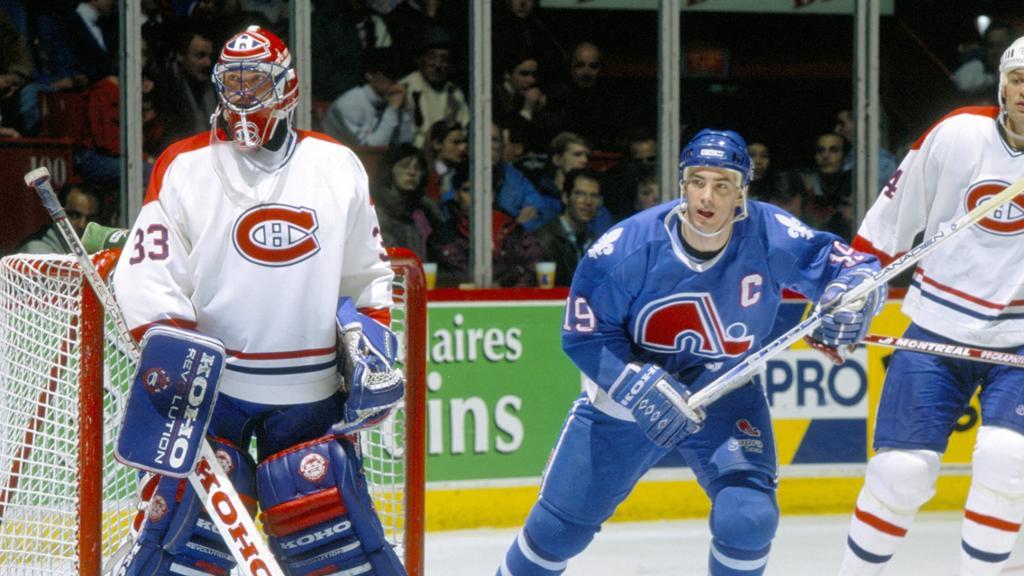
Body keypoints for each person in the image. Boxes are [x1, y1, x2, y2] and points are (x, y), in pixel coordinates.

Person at [497, 129, 885, 576]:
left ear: (742, 192)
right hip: (627, 400)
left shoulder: (769, 232)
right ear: (682, 184)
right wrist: (635, 384)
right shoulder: (624, 247)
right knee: (555, 533)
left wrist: (851, 297)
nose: (707, 196)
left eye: (723, 184)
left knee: (748, 517)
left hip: (724, 392)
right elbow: (583, 335)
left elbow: (853, 267)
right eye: (697, 181)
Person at [110, 26, 406, 576]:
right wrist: (175, 365)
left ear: (287, 88)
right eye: (233, 85)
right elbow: (149, 272)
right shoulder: (183, 164)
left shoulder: (336, 165)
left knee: (332, 541)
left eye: (256, 84)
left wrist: (373, 346)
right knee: (184, 541)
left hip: (311, 391)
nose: (242, 99)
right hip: (212, 390)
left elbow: (366, 273)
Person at [839, 36, 1024, 576]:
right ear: (1002, 84)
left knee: (1006, 459)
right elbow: (890, 221)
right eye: (1018, 79)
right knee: (899, 472)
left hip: (1019, 340)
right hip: (937, 329)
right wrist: (851, 287)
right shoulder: (957, 133)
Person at [430, 169, 542, 288]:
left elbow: (535, 267)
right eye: (467, 190)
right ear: (456, 195)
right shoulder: (443, 235)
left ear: (492, 196)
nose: (475, 196)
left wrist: (504, 292)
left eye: (482, 190)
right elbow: (439, 278)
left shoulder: (514, 230)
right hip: (462, 303)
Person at [323, 47, 413, 146]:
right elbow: (372, 149)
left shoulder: (391, 99)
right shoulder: (349, 103)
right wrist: (392, 110)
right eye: (389, 74)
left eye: (397, 75)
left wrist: (403, 110)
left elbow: (405, 143)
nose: (394, 81)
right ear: (369, 74)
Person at [372, 142, 444, 261]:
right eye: (404, 166)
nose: (412, 172)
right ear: (390, 170)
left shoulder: (427, 211)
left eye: (418, 168)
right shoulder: (376, 210)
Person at [533, 168, 602, 287]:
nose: (588, 201)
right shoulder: (542, 239)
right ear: (565, 197)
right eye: (580, 194)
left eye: (594, 196)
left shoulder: (598, 241)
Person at [16, 184, 100, 254]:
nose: (82, 225)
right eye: (74, 215)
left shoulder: (93, 247)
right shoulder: (37, 249)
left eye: (90, 218)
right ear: (57, 214)